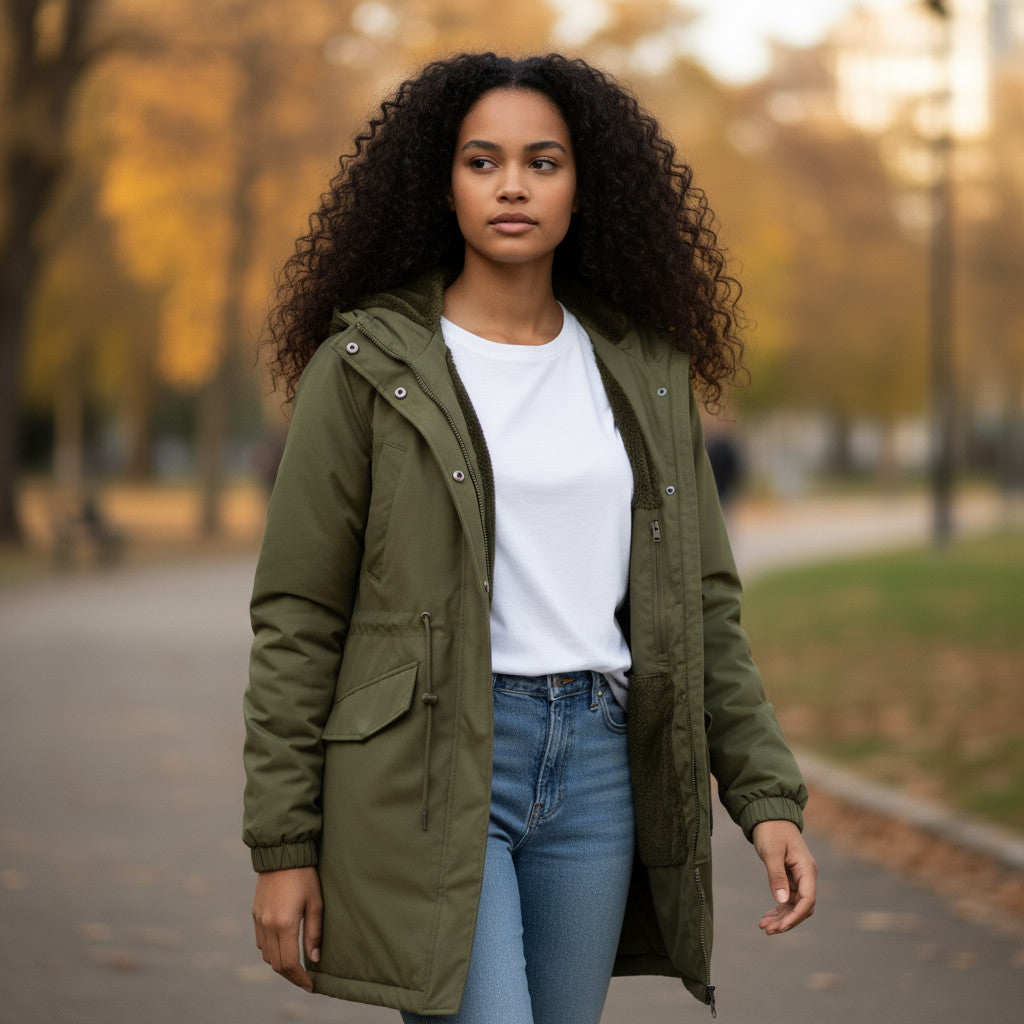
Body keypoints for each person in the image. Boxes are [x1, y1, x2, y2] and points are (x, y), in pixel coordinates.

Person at [243, 52, 816, 1024]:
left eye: (542, 161)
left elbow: (702, 603)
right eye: (482, 160)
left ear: (586, 184)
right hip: (426, 762)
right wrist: (285, 844)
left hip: (597, 764)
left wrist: (765, 795)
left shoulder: (644, 372)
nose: (512, 184)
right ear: (441, 182)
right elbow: (298, 614)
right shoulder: (365, 367)